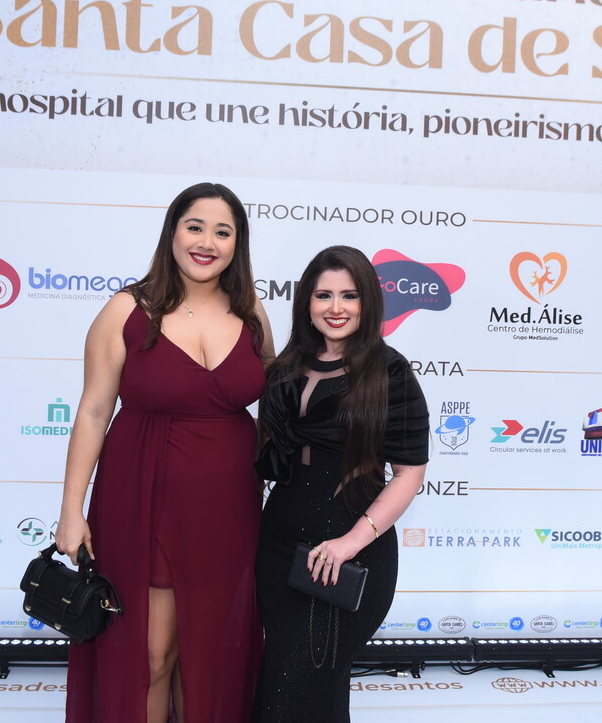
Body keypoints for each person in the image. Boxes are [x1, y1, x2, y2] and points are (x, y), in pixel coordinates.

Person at [57, 182, 273, 723]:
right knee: (151, 656)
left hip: (229, 511)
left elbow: (277, 404)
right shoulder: (126, 310)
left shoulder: (251, 313)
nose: (207, 242)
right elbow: (93, 411)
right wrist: (70, 511)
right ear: (172, 232)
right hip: (144, 498)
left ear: (238, 244)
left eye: (222, 232)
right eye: (194, 227)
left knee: (211, 653)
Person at [253, 245, 429, 722]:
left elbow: (409, 473)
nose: (336, 307)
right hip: (277, 548)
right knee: (280, 682)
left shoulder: (390, 372)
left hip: (349, 556)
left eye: (349, 296)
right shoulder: (286, 366)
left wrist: (349, 542)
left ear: (368, 302)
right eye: (323, 295)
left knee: (305, 681)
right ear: (306, 302)